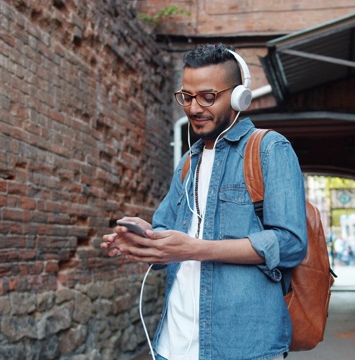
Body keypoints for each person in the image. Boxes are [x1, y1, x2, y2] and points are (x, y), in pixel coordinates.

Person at [101, 43, 308, 360]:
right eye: (187, 97)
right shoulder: (188, 162)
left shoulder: (268, 149)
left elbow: (291, 244)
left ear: (239, 96)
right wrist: (144, 241)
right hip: (172, 345)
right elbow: (168, 242)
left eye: (208, 97)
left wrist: (196, 248)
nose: (194, 108)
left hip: (241, 348)